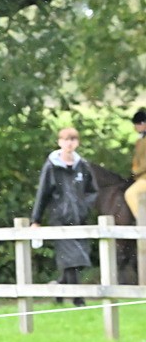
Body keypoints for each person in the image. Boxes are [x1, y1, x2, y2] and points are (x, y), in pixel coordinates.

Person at [31, 127, 98, 306]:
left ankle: (58, 288)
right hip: (59, 220)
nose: (69, 143)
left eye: (73, 139)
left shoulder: (82, 165)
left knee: (78, 259)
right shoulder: (51, 166)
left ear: (77, 143)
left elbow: (92, 191)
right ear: (60, 142)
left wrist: (84, 206)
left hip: (79, 219)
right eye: (66, 139)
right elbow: (43, 193)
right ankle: (78, 299)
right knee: (72, 259)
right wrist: (35, 220)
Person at [127, 108, 146, 221]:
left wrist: (136, 171)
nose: (136, 127)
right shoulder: (140, 140)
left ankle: (143, 222)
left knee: (130, 194)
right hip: (141, 176)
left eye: (138, 124)